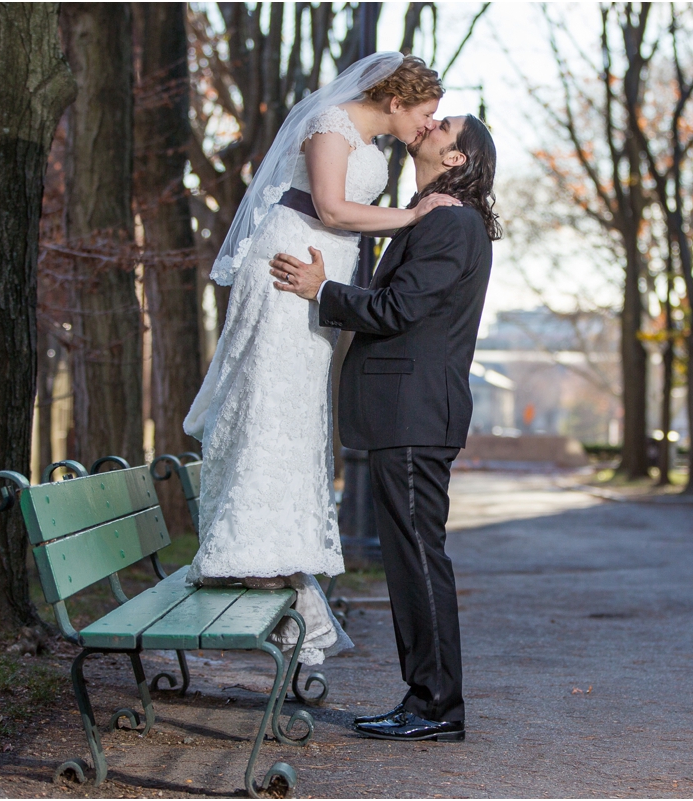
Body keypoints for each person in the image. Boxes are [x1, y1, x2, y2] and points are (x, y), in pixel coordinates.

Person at [181, 52, 460, 667]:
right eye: (426, 112)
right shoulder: (329, 124)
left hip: (323, 275)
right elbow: (332, 210)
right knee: (272, 399)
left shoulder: (374, 143)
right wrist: (412, 217)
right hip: (291, 266)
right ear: (395, 99)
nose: (427, 124)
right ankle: (249, 550)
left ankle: (279, 549)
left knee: (297, 408)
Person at [269, 113, 500, 741]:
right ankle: (426, 699)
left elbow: (397, 309)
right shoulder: (435, 217)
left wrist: (323, 290)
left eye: (444, 125)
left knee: (419, 561)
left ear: (456, 158)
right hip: (409, 413)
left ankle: (435, 708)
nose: (430, 123)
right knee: (411, 560)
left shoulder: (450, 222)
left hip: (415, 413)